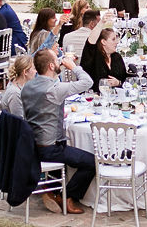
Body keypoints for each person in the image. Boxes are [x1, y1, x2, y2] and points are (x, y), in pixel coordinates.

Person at [21, 48, 96, 215]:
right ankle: (68, 197)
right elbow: (87, 82)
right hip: (50, 148)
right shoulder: (54, 89)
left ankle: (52, 190)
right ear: (51, 65)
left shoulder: (28, 86)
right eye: (56, 59)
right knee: (91, 162)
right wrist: (73, 66)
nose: (60, 61)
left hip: (31, 144)